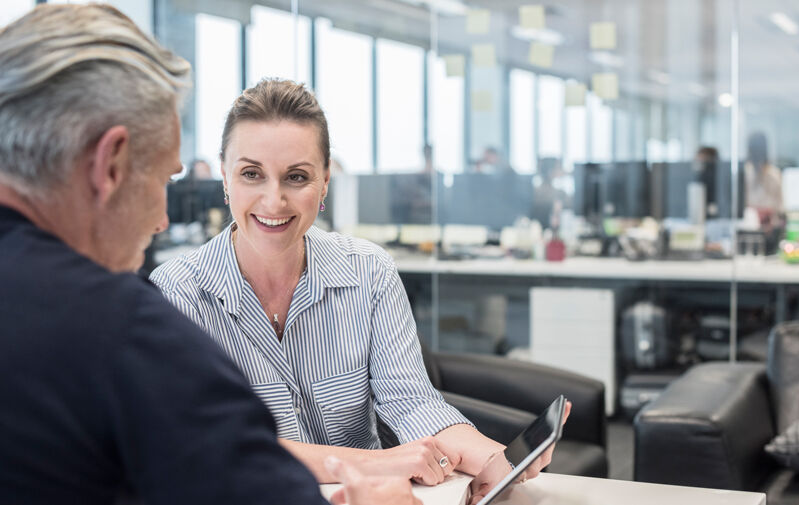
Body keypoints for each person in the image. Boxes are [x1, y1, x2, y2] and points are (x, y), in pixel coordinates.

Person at [0, 5, 417, 505]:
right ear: (110, 164)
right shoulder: (125, 329)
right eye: (162, 180)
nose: (161, 220)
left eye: (298, 176)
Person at [150, 79, 570, 499]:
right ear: (225, 176)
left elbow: (410, 401)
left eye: (296, 177)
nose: (273, 200)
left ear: (325, 181)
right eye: (251, 174)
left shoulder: (368, 271)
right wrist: (374, 462)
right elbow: (214, 445)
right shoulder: (179, 293)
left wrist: (490, 457)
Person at [744, 131, 783, 232]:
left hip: (770, 227)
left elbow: (779, 206)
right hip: (749, 225)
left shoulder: (774, 174)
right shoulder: (745, 173)